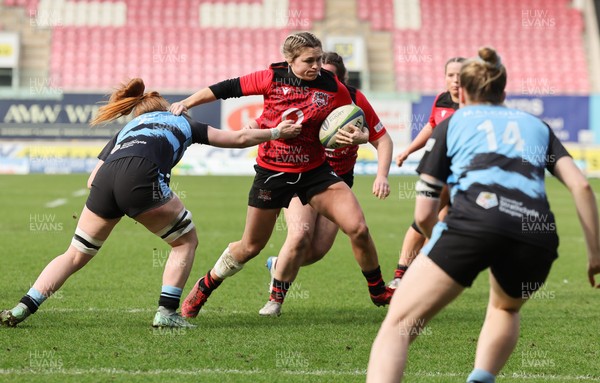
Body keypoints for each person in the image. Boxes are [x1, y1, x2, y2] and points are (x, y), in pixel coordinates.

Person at [366, 47, 600, 383]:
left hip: (474, 223)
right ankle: (481, 377)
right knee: (505, 308)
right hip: (535, 233)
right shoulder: (536, 125)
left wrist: (436, 237)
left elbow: (424, 211)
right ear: (504, 92)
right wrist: (595, 255)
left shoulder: (452, 123)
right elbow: (582, 188)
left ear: (461, 92)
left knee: (399, 325)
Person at [0, 78, 302, 328]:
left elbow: (92, 179)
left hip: (106, 183)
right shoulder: (181, 119)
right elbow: (237, 139)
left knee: (76, 253)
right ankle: (167, 313)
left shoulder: (127, 129)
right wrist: (276, 132)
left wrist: (124, 201)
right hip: (142, 179)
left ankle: (22, 308)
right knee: (185, 242)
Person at [169, 32, 394, 319]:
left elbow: (362, 125)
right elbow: (226, 88)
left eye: (318, 59)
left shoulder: (332, 86)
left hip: (315, 172)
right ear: (290, 60)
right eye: (308, 61)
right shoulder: (271, 77)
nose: (316, 66)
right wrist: (187, 103)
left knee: (358, 228)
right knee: (250, 246)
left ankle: (377, 290)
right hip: (273, 173)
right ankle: (206, 284)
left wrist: (361, 137)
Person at [257, 51, 394, 317]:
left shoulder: (353, 100)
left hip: (338, 181)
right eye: (318, 71)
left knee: (317, 250)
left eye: (329, 74)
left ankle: (278, 264)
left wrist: (382, 175)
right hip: (303, 175)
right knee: (299, 237)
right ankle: (275, 301)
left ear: (341, 80)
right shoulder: (302, 96)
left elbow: (383, 139)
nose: (320, 77)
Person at [389, 57, 465, 288]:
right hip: (439, 170)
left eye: (460, 75)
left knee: (439, 227)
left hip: (463, 176)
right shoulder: (441, 100)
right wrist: (407, 151)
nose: (455, 80)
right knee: (423, 221)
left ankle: (418, 276)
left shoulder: (474, 104)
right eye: (450, 75)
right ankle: (401, 275)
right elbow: (431, 125)